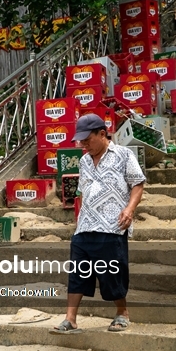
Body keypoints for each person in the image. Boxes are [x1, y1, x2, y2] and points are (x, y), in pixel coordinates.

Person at [52, 113, 145, 334]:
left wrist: (130, 209)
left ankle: (122, 312)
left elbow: (138, 183)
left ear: (102, 134)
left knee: (112, 271)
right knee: (77, 272)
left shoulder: (123, 155)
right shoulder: (84, 161)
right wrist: (80, 218)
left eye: (87, 140)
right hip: (85, 225)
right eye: (81, 141)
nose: (84, 145)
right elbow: (83, 192)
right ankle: (70, 319)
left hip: (112, 225)